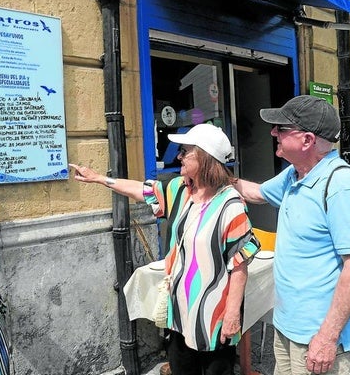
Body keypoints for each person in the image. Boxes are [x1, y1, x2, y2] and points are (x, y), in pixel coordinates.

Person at [70, 123, 260, 375]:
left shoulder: (231, 204)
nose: (179, 156)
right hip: (179, 312)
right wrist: (98, 179)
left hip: (214, 316)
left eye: (185, 151)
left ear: (204, 158)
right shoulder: (179, 190)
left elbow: (239, 266)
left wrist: (233, 315)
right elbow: (141, 190)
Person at [233, 95, 350, 375]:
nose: (274, 133)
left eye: (282, 129)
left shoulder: (341, 185)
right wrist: (215, 175)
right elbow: (255, 193)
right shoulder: (293, 175)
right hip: (287, 327)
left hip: (318, 337)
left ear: (307, 140)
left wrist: (327, 338)